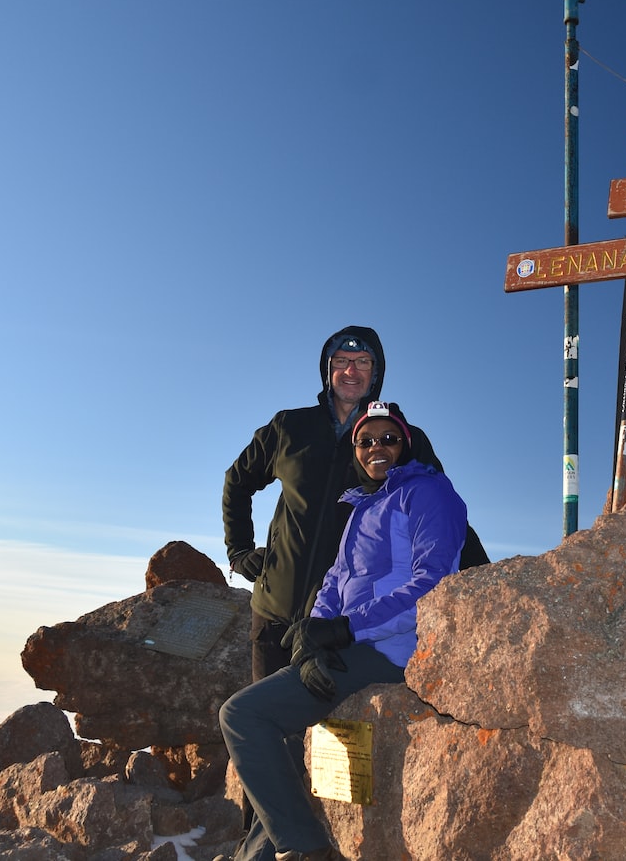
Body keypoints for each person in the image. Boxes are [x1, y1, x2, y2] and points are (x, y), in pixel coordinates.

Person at [218, 401, 468, 861]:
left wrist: (345, 630)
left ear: (406, 444)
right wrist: (314, 634)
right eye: (365, 441)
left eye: (388, 439)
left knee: (244, 716)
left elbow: (431, 586)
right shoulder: (361, 506)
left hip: (393, 650)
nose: (376, 448)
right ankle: (262, 850)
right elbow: (335, 579)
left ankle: (303, 849)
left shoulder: (428, 493)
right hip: (355, 645)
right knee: (277, 728)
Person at [222, 325, 449, 684]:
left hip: (344, 623)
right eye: (341, 361)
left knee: (333, 720)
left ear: (376, 374)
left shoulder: (398, 439)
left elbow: (440, 513)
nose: (351, 371)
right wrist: (239, 550)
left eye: (363, 362)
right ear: (327, 370)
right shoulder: (289, 427)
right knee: (266, 711)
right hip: (273, 613)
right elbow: (237, 481)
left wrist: (478, 580)